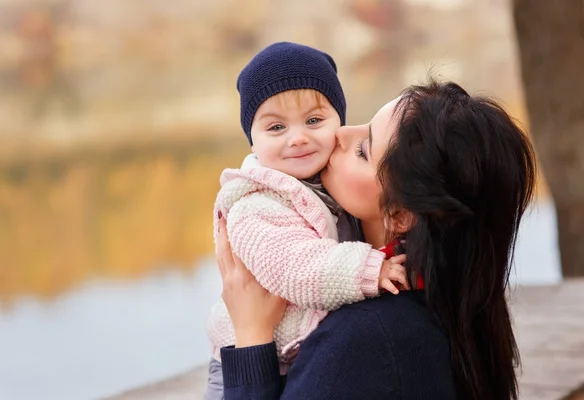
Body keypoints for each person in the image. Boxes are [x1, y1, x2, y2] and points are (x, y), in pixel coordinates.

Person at [216, 80, 537, 400]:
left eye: (363, 150)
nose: (340, 134)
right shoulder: (455, 303)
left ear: (401, 216)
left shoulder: (364, 341)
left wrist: (251, 336)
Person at [204, 42, 409, 400]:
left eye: (314, 121)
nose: (298, 138)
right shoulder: (258, 201)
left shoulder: (326, 188)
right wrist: (369, 270)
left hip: (296, 349)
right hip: (243, 361)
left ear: (338, 121)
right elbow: (296, 265)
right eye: (276, 127)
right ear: (252, 140)